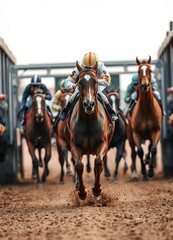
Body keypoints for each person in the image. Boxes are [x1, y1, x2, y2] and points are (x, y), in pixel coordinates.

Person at [58, 52, 118, 121]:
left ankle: (111, 112)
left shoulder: (101, 66)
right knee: (74, 94)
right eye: (86, 67)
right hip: (83, 84)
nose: (88, 68)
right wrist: (73, 85)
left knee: (99, 93)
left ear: (96, 64)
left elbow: (107, 81)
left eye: (91, 67)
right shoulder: (79, 67)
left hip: (96, 84)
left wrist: (96, 81)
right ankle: (65, 111)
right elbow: (67, 81)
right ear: (83, 65)